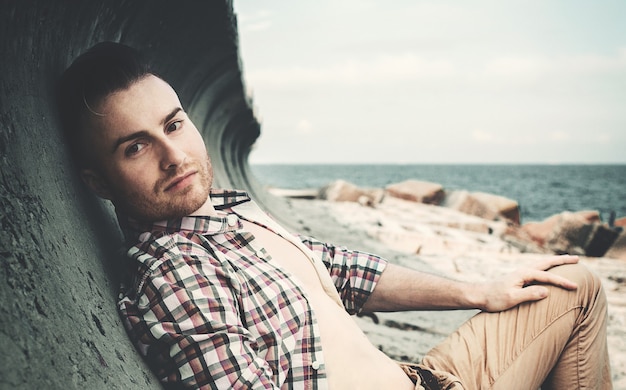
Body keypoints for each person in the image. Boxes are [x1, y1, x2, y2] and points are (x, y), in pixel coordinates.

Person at [57, 42, 612, 389]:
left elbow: (344, 271)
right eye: (136, 147)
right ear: (98, 183)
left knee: (571, 284)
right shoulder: (178, 271)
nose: (172, 155)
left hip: (420, 375)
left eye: (174, 125)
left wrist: (479, 292)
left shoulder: (231, 221)